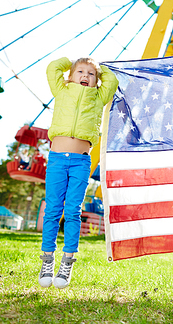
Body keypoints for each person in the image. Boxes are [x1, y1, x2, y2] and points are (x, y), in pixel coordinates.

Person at [38, 57, 119, 289]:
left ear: (96, 80)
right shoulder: (61, 90)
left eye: (91, 74)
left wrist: (99, 68)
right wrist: (72, 62)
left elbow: (111, 79)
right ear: (70, 76)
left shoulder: (99, 97)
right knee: (52, 210)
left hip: (81, 162)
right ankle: (47, 260)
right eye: (80, 72)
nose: (85, 76)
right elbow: (53, 67)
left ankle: (67, 262)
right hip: (56, 160)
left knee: (73, 210)